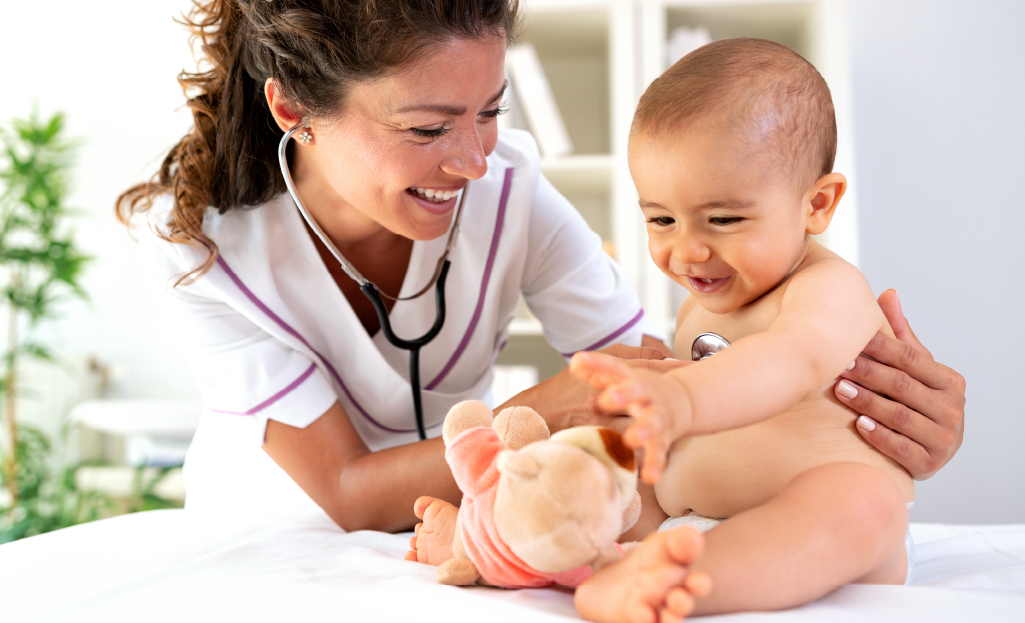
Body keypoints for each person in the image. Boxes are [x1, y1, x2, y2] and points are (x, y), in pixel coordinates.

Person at [117, 0, 963, 553]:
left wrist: (857, 414)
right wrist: (550, 407)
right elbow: (341, 490)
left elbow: (647, 373)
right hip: (273, 538)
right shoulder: (199, 242)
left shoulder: (510, 185)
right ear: (294, 111)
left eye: (489, 110)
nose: (476, 159)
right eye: (428, 127)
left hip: (460, 514)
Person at [569, 39, 949, 622]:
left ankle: (685, 580)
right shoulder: (694, 312)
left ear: (817, 205)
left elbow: (791, 360)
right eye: (662, 219)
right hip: (685, 521)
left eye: (723, 219)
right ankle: (502, 540)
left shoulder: (827, 289)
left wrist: (679, 397)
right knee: (589, 475)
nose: (688, 249)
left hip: (818, 533)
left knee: (866, 504)